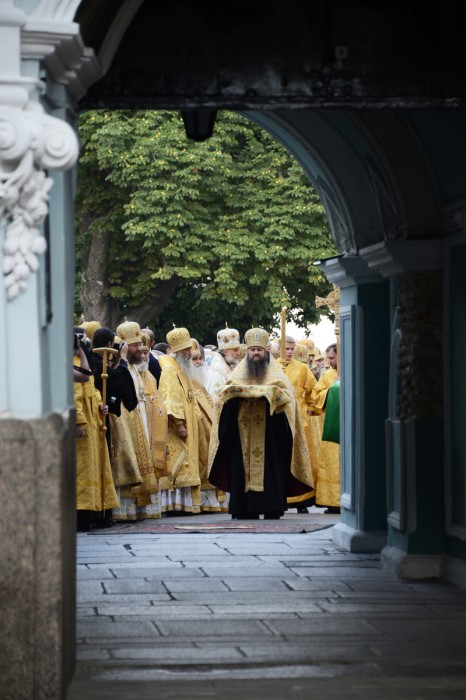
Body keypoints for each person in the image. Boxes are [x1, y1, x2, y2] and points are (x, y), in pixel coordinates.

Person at [208, 328, 313, 520]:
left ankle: (272, 506)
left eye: (259, 350)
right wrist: (232, 397)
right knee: (241, 469)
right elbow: (223, 401)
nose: (256, 353)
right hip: (241, 434)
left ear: (266, 351)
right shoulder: (237, 375)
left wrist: (275, 397)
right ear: (246, 351)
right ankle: (243, 508)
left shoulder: (278, 376)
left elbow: (288, 402)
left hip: (271, 434)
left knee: (272, 467)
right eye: (252, 350)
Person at [73, 327, 119, 531]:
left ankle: (98, 510)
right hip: (83, 424)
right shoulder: (70, 364)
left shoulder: (84, 363)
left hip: (94, 422)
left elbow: (92, 390)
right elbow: (73, 396)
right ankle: (82, 513)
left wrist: (101, 405)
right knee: (83, 469)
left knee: (95, 467)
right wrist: (78, 421)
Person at [157, 327, 202, 514]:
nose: (190, 353)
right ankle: (174, 504)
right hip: (177, 427)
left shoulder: (183, 369)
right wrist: (179, 424)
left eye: (189, 349)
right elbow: (169, 398)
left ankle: (185, 504)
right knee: (178, 462)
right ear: (176, 351)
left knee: (188, 463)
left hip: (189, 423)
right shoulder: (169, 370)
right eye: (186, 350)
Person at [280, 335, 317, 514]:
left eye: (291, 348)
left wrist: (311, 408)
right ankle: (281, 497)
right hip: (278, 420)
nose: (289, 352)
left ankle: (302, 499)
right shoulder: (271, 367)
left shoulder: (302, 368)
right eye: (286, 348)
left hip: (299, 420)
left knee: (300, 459)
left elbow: (314, 391)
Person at [308, 343, 340, 514]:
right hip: (332, 424)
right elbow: (316, 396)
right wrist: (334, 389)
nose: (329, 361)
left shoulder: (352, 369)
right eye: (328, 358)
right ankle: (332, 501)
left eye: (332, 358)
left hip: (348, 423)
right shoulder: (328, 375)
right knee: (331, 462)